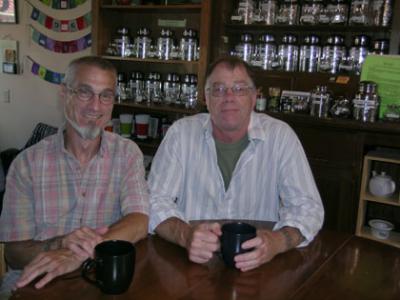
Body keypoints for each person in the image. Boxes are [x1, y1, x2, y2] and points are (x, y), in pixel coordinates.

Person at [148, 56, 324, 272]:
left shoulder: (280, 136)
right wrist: (185, 235)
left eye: (239, 89)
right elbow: (153, 200)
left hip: (260, 266)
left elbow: (308, 209)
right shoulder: (180, 133)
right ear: (206, 97)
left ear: (254, 96)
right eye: (218, 89)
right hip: (192, 264)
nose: (229, 97)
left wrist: (276, 243)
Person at [0, 56, 149, 290]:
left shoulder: (128, 154)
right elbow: (14, 254)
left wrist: (78, 254)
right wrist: (59, 244)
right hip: (39, 286)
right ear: (64, 93)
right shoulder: (27, 164)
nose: (95, 106)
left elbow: (139, 221)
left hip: (100, 279)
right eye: (84, 92)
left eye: (106, 95)